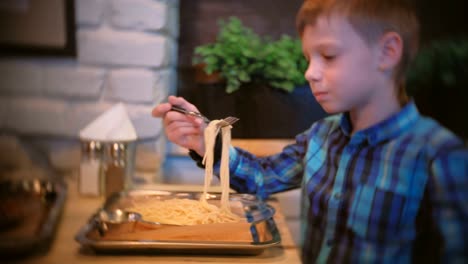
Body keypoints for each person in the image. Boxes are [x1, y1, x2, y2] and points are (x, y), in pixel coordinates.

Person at [152, 0, 468, 262]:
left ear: (387, 52)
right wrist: (205, 141)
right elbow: (262, 177)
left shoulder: (439, 157)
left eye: (328, 56)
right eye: (308, 58)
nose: (310, 73)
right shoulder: (322, 135)